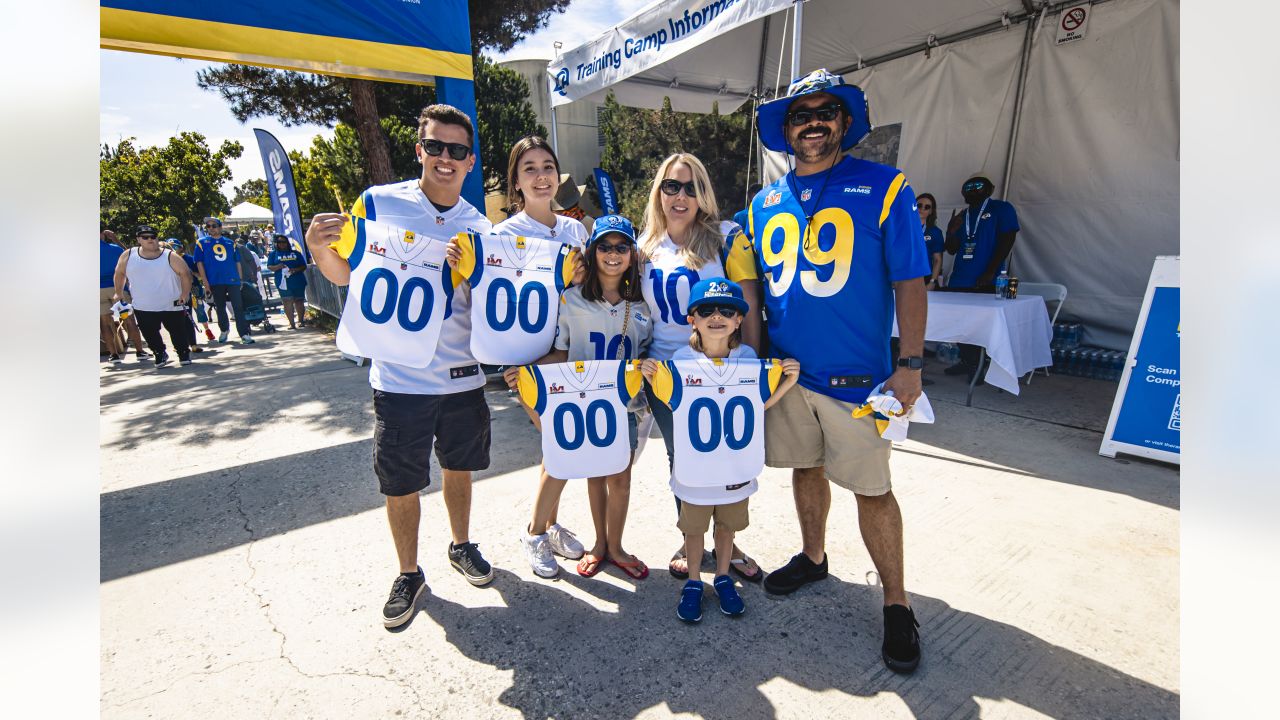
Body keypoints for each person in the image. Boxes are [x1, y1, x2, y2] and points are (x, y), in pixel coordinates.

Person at [744, 68, 930, 673]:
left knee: (873, 490)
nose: (814, 123)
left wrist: (910, 365)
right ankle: (814, 556)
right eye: (802, 114)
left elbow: (910, 280)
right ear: (787, 129)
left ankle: (897, 602)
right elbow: (754, 292)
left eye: (826, 112)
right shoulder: (763, 202)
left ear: (845, 122)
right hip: (791, 376)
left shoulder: (886, 185)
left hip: (860, 380)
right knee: (805, 468)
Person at [306, 104, 495, 629]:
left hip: (461, 376)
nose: (445, 158)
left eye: (457, 151)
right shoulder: (377, 204)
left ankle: (461, 544)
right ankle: (409, 572)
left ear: (471, 161)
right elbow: (347, 276)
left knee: (460, 469)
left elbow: (489, 309)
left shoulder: (481, 227)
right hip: (398, 380)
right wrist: (319, 251)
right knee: (400, 482)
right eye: (435, 146)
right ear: (420, 151)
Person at [638, 152, 765, 583]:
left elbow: (749, 305)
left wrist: (752, 367)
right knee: (682, 459)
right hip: (668, 372)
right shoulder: (643, 248)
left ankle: (729, 543)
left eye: (691, 187)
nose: (681, 195)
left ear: (703, 194)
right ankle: (690, 537)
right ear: (659, 191)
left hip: (722, 367)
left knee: (727, 453)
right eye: (672, 186)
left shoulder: (727, 236)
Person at [643, 278, 800, 622]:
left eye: (727, 310)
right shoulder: (681, 360)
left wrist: (787, 382)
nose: (717, 316)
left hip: (734, 466)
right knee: (694, 530)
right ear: (692, 319)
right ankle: (695, 581)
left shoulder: (748, 359)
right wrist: (653, 377)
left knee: (727, 528)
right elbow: (672, 402)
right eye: (707, 310)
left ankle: (724, 575)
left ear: (739, 320)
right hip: (696, 469)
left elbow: (759, 404)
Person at [505, 214, 651, 580]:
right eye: (604, 246)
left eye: (621, 247)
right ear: (592, 250)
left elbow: (645, 354)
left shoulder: (642, 307)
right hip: (579, 402)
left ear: (632, 254)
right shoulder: (571, 300)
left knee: (620, 478)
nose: (613, 254)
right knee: (584, 471)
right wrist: (527, 371)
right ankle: (598, 543)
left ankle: (615, 546)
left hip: (624, 406)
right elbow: (561, 352)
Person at [482, 136, 591, 574]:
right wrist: (510, 362)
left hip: (573, 352)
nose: (541, 175)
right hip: (531, 360)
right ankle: (534, 532)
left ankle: (550, 523)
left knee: (561, 447)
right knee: (562, 446)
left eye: (548, 166)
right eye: (529, 168)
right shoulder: (502, 236)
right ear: (516, 182)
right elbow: (495, 307)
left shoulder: (575, 229)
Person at [943, 175, 1021, 376]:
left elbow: (1008, 238)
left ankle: (979, 367)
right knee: (958, 324)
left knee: (981, 326)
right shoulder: (963, 216)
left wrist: (990, 270)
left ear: (991, 189)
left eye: (978, 185)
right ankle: (968, 362)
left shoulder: (1001, 209)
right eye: (967, 186)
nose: (972, 189)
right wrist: (951, 231)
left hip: (986, 279)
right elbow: (951, 250)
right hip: (960, 278)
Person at [113, 225, 194, 368]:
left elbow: (185, 274)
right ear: (139, 239)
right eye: (145, 237)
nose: (150, 239)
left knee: (178, 331)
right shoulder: (128, 255)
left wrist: (185, 294)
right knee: (149, 333)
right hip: (143, 305)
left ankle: (183, 352)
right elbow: (119, 273)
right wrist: (118, 292)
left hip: (171, 303)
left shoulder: (169, 255)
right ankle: (159, 352)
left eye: (153, 236)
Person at [195, 217, 255, 345]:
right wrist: (205, 282)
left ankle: (244, 333)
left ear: (220, 227)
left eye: (214, 225)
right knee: (220, 307)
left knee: (238, 306)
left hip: (232, 279)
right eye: (209, 226)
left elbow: (237, 261)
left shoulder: (229, 242)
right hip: (215, 280)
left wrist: (239, 278)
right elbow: (199, 263)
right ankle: (224, 330)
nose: (211, 228)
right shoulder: (201, 242)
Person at [99, 228, 147, 363]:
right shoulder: (115, 249)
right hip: (118, 288)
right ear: (102, 234)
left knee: (105, 323)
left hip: (98, 290)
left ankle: (113, 355)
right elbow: (131, 256)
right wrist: (116, 240)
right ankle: (140, 351)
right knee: (129, 320)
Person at [266, 234, 309, 329]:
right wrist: (278, 266)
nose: (282, 244)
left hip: (298, 281)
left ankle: (301, 321)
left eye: (284, 242)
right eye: (279, 242)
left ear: (287, 243)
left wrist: (295, 270)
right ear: (276, 244)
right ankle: (291, 323)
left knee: (299, 301)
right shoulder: (273, 254)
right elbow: (269, 266)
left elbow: (303, 266)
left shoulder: (296, 253)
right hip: (283, 282)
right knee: (287, 301)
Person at [917, 193, 945, 289]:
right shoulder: (903, 229)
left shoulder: (935, 232)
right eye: (919, 205)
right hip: (904, 276)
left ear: (931, 211)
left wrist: (933, 281)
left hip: (925, 277)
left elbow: (938, 259)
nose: (922, 209)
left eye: (927, 207)